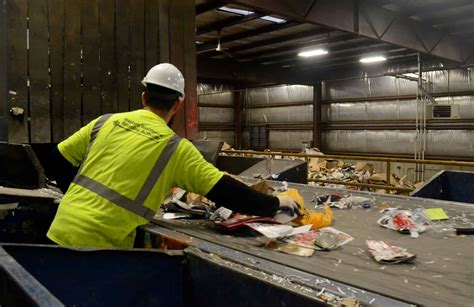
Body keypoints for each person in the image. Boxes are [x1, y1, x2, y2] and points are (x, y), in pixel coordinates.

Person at [46, 63, 300, 249]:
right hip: (102, 246)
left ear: (143, 97)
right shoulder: (175, 149)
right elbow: (226, 191)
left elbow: (56, 159)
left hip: (59, 231)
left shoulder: (104, 122)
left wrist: (76, 197)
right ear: (177, 105)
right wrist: (276, 205)